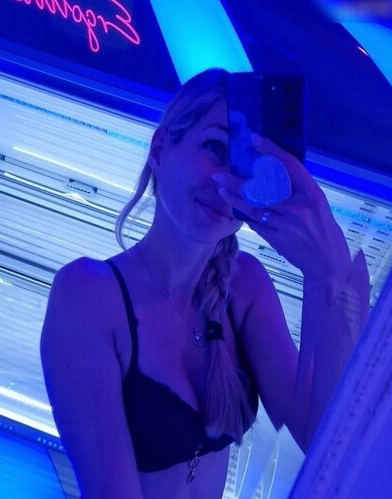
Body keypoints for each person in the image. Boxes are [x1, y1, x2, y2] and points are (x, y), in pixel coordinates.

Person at [40, 69, 370, 499]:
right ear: (160, 149)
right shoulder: (89, 294)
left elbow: (324, 437)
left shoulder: (245, 286)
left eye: (246, 164)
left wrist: (327, 277)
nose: (226, 182)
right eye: (216, 148)